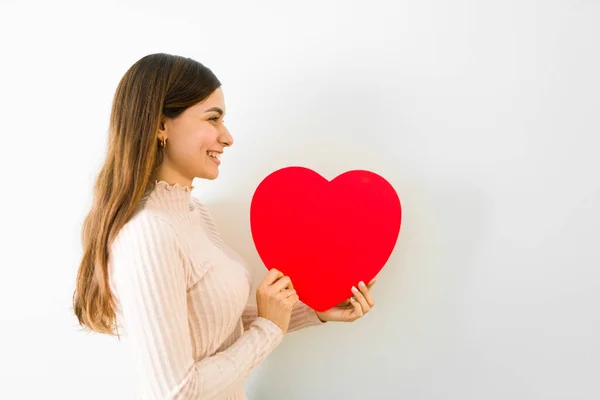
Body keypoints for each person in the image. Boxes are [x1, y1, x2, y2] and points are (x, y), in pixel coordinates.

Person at [72, 53, 376, 400]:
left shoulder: (193, 212)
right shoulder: (149, 233)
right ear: (160, 125)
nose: (227, 137)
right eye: (213, 118)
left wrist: (314, 311)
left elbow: (217, 327)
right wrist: (269, 328)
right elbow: (176, 391)